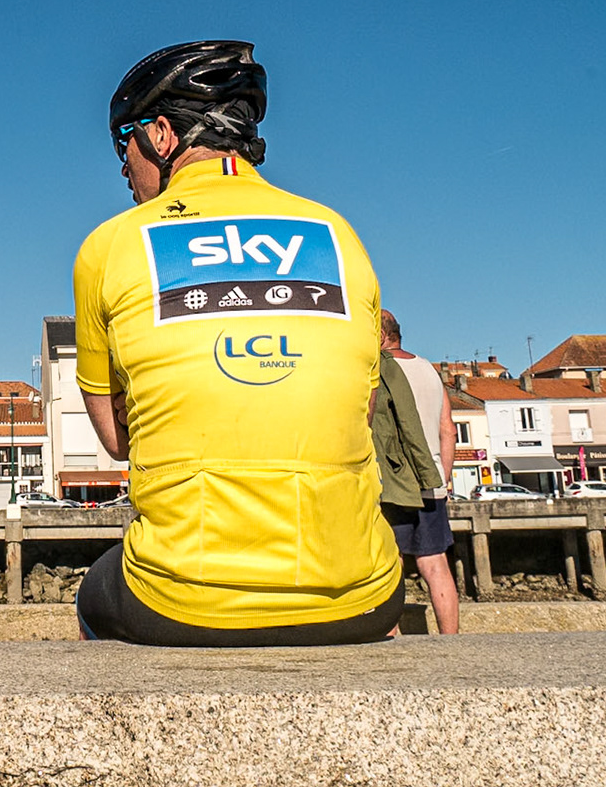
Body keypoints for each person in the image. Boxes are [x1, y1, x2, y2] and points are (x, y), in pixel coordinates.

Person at [72, 41, 404, 645]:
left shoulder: (110, 244)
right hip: (364, 593)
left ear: (163, 136)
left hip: (181, 598)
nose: (123, 166)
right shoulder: (337, 232)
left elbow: (118, 441)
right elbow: (362, 407)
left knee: (93, 594)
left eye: (124, 144)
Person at [379, 310, 460, 634]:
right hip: (432, 481)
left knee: (390, 561)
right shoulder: (429, 370)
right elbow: (448, 429)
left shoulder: (381, 371)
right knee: (435, 562)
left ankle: (390, 633)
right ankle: (451, 639)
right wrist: (444, 477)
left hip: (394, 482)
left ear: (382, 336)